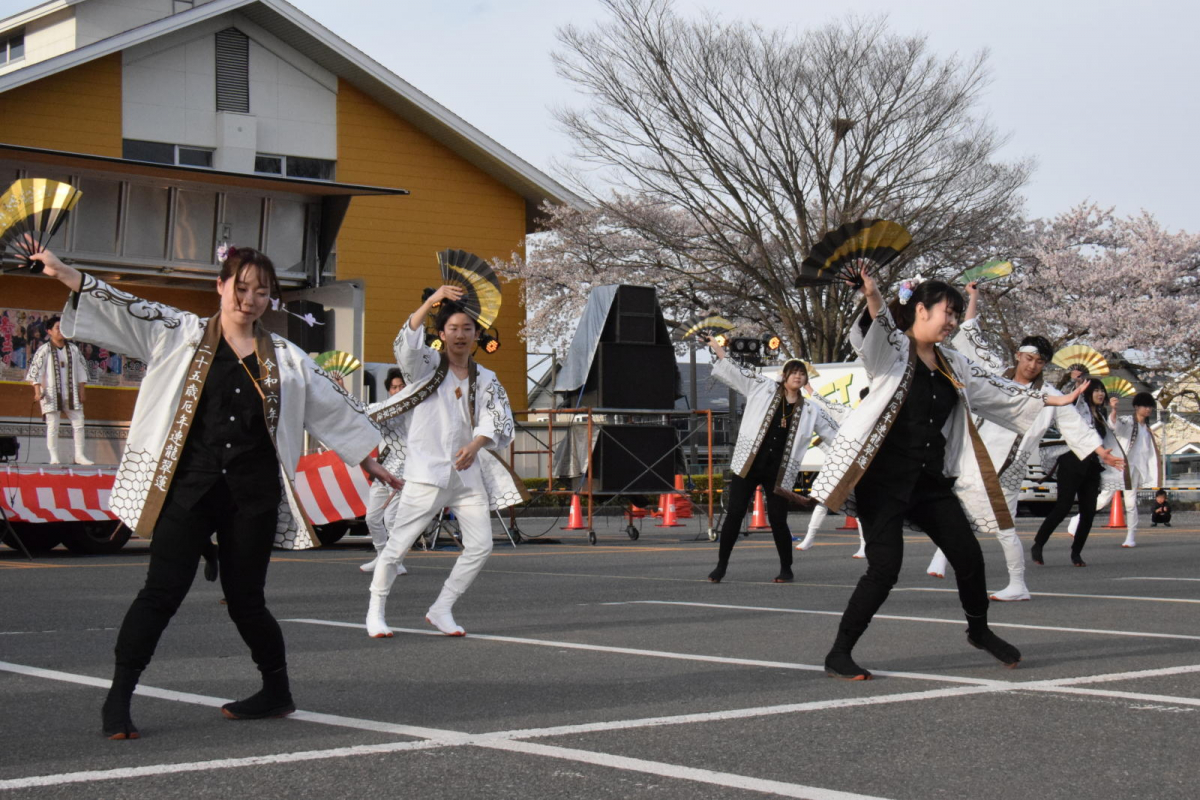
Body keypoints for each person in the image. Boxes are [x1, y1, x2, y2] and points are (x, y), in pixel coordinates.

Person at [30, 244, 400, 740]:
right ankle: (119, 698)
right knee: (160, 592)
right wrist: (64, 273)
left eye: (261, 292)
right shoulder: (178, 334)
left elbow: (329, 408)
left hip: (253, 495)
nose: (249, 299)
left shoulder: (287, 358)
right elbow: (122, 305)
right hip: (188, 488)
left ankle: (276, 691)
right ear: (221, 286)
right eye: (241, 287)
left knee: (246, 599)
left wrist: (366, 456)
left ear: (271, 299)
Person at [810, 270, 1084, 680]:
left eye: (957, 314)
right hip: (881, 480)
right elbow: (878, 326)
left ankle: (978, 630)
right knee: (885, 568)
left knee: (968, 555)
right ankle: (839, 653)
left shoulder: (953, 363)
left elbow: (998, 391)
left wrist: (1051, 398)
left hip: (928, 480)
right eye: (947, 312)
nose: (953, 321)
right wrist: (872, 294)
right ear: (920, 309)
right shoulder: (894, 351)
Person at [924, 283, 1121, 599]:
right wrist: (973, 296)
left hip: (1008, 466)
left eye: (1040, 361)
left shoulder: (1052, 395)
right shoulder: (994, 373)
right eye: (1029, 358)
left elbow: (1077, 428)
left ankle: (1017, 584)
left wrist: (1101, 452)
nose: (1032, 365)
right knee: (959, 509)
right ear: (1018, 355)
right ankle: (943, 558)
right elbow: (970, 333)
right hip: (971, 455)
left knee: (1002, 526)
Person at [365, 286, 525, 638]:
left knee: (481, 546)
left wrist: (477, 443)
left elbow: (498, 418)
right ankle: (375, 610)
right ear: (441, 334)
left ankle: (442, 608)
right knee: (397, 546)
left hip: (467, 478)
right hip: (426, 473)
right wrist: (431, 300)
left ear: (477, 335)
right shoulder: (426, 367)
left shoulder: (486, 378)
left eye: (468, 329)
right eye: (453, 328)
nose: (461, 335)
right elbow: (406, 343)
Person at [701, 339, 838, 583]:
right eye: (793, 372)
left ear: (806, 380)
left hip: (779, 471)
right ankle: (720, 566)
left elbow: (835, 434)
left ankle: (787, 568)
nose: (797, 376)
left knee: (778, 519)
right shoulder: (762, 387)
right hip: (749, 464)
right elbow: (735, 369)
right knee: (734, 513)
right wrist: (717, 347)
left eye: (801, 373)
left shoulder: (811, 410)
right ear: (784, 376)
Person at [1030, 379, 1116, 567]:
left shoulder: (1101, 414)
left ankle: (1076, 553)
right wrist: (1075, 379)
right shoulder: (1077, 409)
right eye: (1096, 390)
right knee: (1063, 506)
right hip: (1071, 462)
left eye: (1102, 390)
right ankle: (1038, 544)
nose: (1100, 394)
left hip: (1092, 466)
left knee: (1088, 512)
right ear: (1087, 393)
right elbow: (1067, 404)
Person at [1067, 391, 1161, 547]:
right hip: (1119, 467)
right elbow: (1114, 425)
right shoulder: (1128, 421)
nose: (1148, 409)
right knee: (1103, 499)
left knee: (1131, 504)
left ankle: (1131, 536)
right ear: (1137, 407)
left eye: (1150, 406)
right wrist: (1114, 410)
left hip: (1135, 471)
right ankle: (1077, 519)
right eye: (1145, 406)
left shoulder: (1147, 429)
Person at [793, 383, 854, 555]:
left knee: (862, 506)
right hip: (837, 462)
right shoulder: (848, 412)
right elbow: (824, 403)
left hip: (857, 466)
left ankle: (865, 545)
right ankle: (810, 537)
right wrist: (808, 387)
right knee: (822, 498)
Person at [360, 367, 410, 574]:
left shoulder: (413, 411)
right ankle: (382, 555)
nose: (397, 390)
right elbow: (361, 409)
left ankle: (395, 561)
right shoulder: (382, 407)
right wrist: (341, 391)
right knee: (372, 518)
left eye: (401, 386)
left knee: (391, 518)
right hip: (382, 470)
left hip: (402, 472)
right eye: (393, 387)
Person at [26, 315, 93, 465]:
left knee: (79, 423)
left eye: (63, 328)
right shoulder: (44, 350)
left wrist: (82, 390)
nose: (61, 331)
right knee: (53, 425)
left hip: (71, 391)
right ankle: (54, 457)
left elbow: (81, 370)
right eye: (57, 328)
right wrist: (37, 391)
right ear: (49, 331)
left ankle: (79, 455)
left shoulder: (74, 350)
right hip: (50, 392)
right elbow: (35, 371)